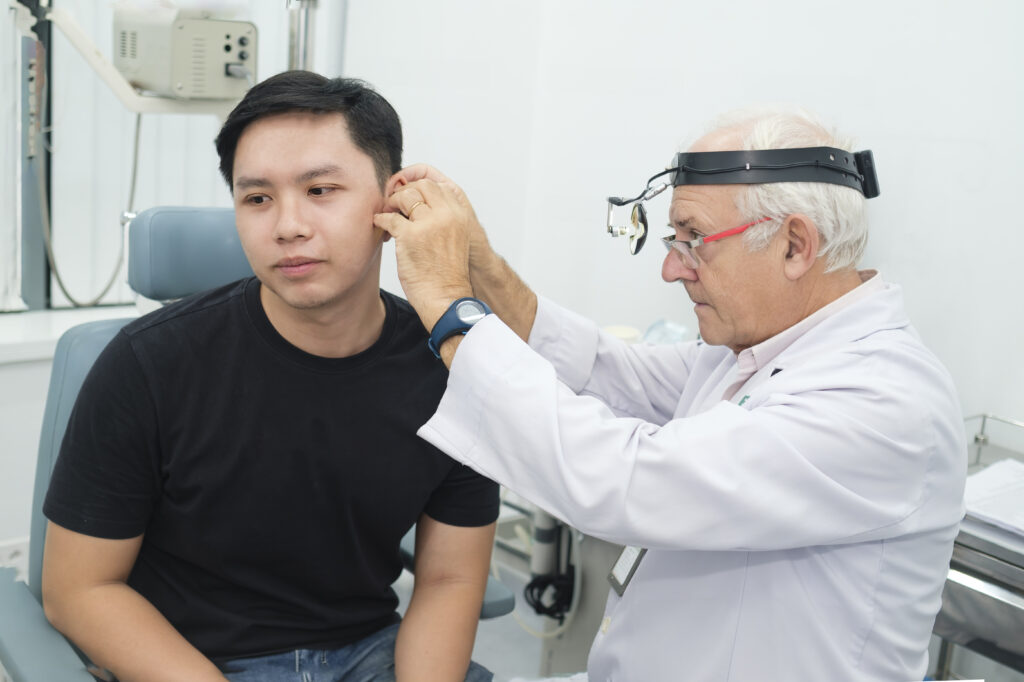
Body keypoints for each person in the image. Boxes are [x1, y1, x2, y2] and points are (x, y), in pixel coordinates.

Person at [374, 108, 967, 681]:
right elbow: (606, 372)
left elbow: (624, 479)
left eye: (695, 239)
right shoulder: (756, 352)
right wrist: (480, 265)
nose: (672, 269)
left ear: (795, 246)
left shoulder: (880, 400)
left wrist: (449, 306)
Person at [40, 71, 499, 682]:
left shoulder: (454, 368)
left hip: (371, 651)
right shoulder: (150, 363)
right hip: (192, 660)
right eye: (257, 198)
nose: (287, 226)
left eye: (320, 189)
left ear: (394, 202)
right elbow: (79, 589)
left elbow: (450, 577)